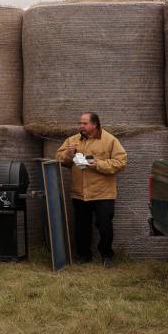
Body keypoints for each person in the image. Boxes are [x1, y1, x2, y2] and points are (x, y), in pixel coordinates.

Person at [55, 112, 127, 268]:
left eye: (85, 123)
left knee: (105, 226)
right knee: (81, 226)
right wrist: (69, 152)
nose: (81, 126)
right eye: (80, 123)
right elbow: (59, 159)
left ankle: (107, 255)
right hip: (80, 193)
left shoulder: (109, 140)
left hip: (103, 193)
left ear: (95, 125)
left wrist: (98, 164)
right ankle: (83, 256)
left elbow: (121, 162)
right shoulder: (72, 140)